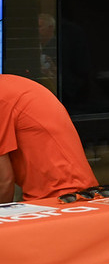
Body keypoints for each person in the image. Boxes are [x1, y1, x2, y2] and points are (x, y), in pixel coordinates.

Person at [0, 74, 97, 202]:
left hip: (58, 198)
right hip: (76, 194)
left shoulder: (3, 95)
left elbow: (4, 182)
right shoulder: (9, 86)